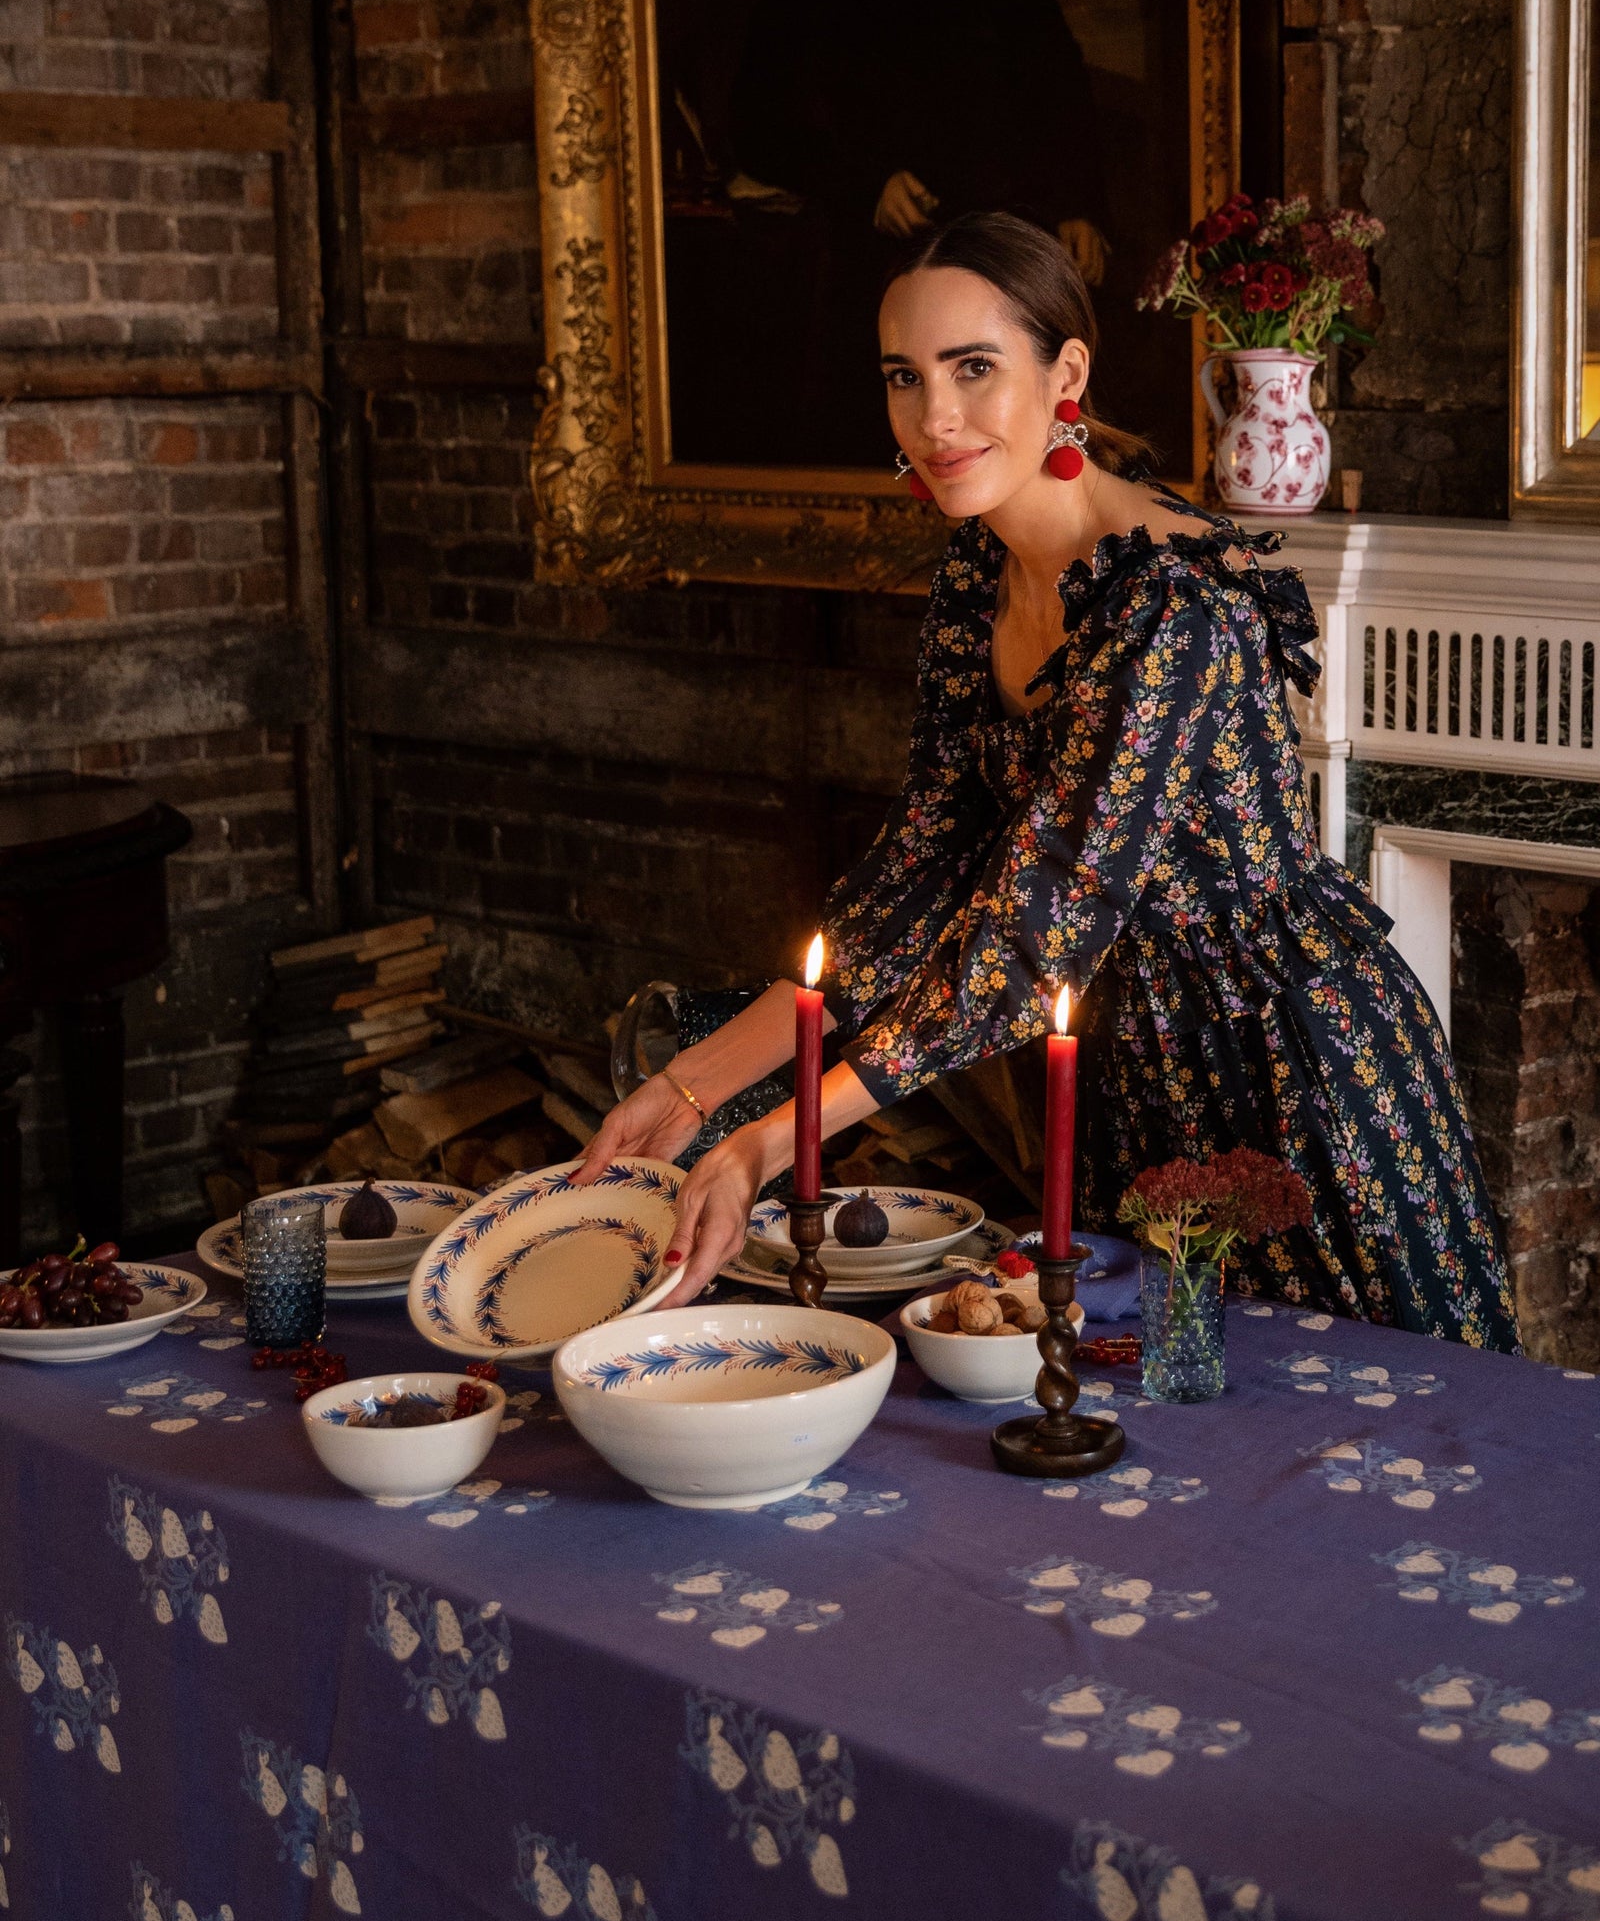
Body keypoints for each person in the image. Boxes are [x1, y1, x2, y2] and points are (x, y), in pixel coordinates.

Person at [575, 211, 1519, 1353]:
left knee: (1400, 1441)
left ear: (1065, 372)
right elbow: (921, 873)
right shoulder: (981, 572)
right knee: (1168, 1465)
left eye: (974, 368)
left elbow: (1035, 933)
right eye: (904, 376)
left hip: (1300, 1078)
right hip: (1129, 1071)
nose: (935, 418)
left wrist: (769, 1141)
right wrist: (686, 1090)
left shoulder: (1175, 604)